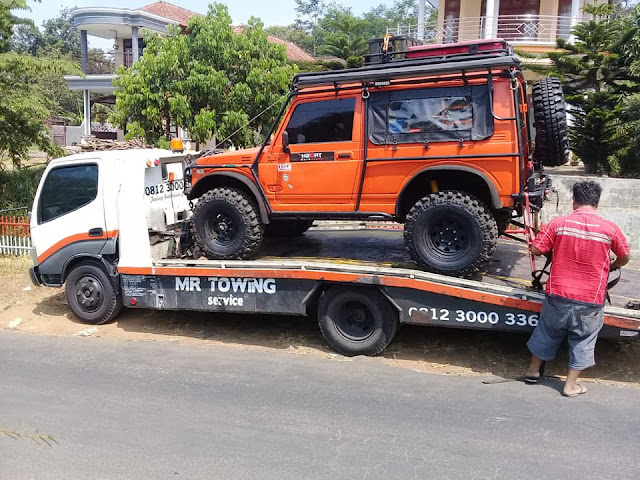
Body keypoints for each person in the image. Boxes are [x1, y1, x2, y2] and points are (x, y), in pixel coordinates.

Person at [524, 180, 630, 397]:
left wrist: (539, 245)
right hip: (590, 298)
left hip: (558, 293)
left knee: (547, 331)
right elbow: (625, 256)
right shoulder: (609, 229)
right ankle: (570, 385)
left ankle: (533, 371)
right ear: (596, 203)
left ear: (574, 201)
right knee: (583, 338)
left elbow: (536, 250)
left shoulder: (559, 223)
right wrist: (613, 265)